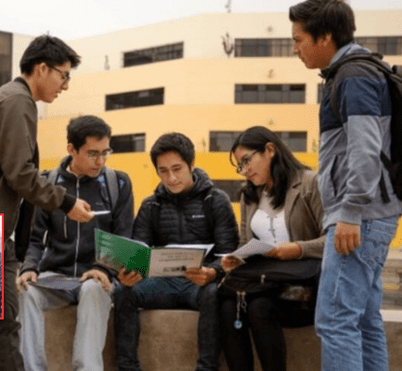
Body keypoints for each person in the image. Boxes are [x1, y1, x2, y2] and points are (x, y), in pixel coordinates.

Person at [0, 34, 93, 371]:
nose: (65, 85)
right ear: (42, 69)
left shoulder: (16, 100)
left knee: (7, 322)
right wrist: (66, 201)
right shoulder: (16, 101)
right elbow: (20, 174)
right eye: (63, 75)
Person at [289, 1, 402, 370]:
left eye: (298, 39)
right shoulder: (354, 73)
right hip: (372, 214)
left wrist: (350, 213)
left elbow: (365, 150)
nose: (295, 48)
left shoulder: (353, 76)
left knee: (334, 321)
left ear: (325, 36)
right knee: (365, 321)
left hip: (360, 218)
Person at [16, 115, 134, 371]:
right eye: (93, 153)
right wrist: (29, 267)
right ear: (71, 149)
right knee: (27, 292)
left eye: (105, 152)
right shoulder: (48, 184)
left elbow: (124, 236)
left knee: (93, 288)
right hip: (56, 277)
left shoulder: (119, 183)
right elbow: (35, 239)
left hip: (97, 278)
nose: (100, 161)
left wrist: (103, 269)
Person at [113, 133, 239, 371]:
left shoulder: (216, 200)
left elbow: (228, 255)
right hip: (162, 284)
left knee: (214, 294)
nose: (171, 178)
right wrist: (129, 271)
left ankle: (207, 367)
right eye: (163, 171)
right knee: (123, 293)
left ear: (192, 164)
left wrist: (211, 272)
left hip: (199, 285)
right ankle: (127, 367)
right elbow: (139, 250)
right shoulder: (151, 205)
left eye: (177, 168)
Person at [219, 126, 324, 371]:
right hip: (265, 281)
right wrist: (237, 259)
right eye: (239, 166)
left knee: (258, 307)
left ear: (270, 150)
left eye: (246, 161)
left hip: (300, 289)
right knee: (225, 306)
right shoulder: (249, 195)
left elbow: (334, 239)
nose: (244, 171)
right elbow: (246, 244)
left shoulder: (310, 183)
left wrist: (297, 249)